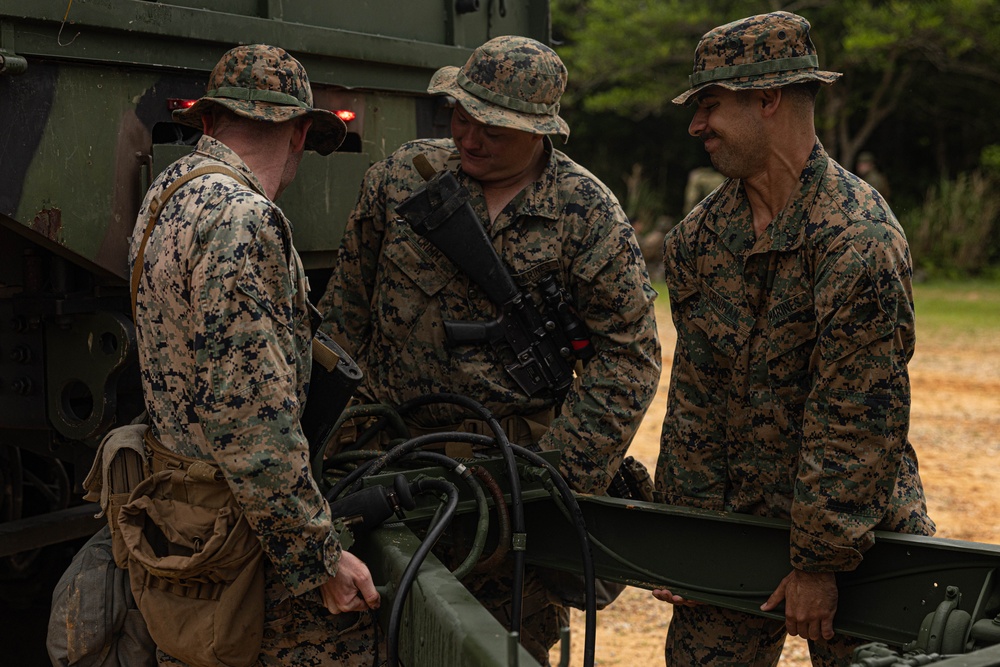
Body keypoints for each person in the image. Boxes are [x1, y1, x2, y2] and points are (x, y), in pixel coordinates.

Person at [317, 35, 662, 665]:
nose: (470, 139)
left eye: (493, 131)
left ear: (540, 133)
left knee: (503, 649)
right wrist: (334, 448)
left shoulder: (587, 214)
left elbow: (629, 358)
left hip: (510, 485)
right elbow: (344, 321)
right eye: (460, 118)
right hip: (392, 461)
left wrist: (547, 477)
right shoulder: (399, 182)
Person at [651, 11, 935, 666]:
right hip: (733, 527)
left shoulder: (858, 237)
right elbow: (695, 400)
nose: (696, 125)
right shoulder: (698, 237)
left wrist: (819, 560)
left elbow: (857, 417)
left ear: (767, 99)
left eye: (711, 105)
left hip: (859, 538)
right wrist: (681, 535)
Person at [129, 44, 380, 665]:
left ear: (210, 121)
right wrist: (317, 556)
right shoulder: (245, 219)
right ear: (299, 134)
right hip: (240, 538)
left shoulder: (171, 192)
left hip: (185, 518)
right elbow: (250, 420)